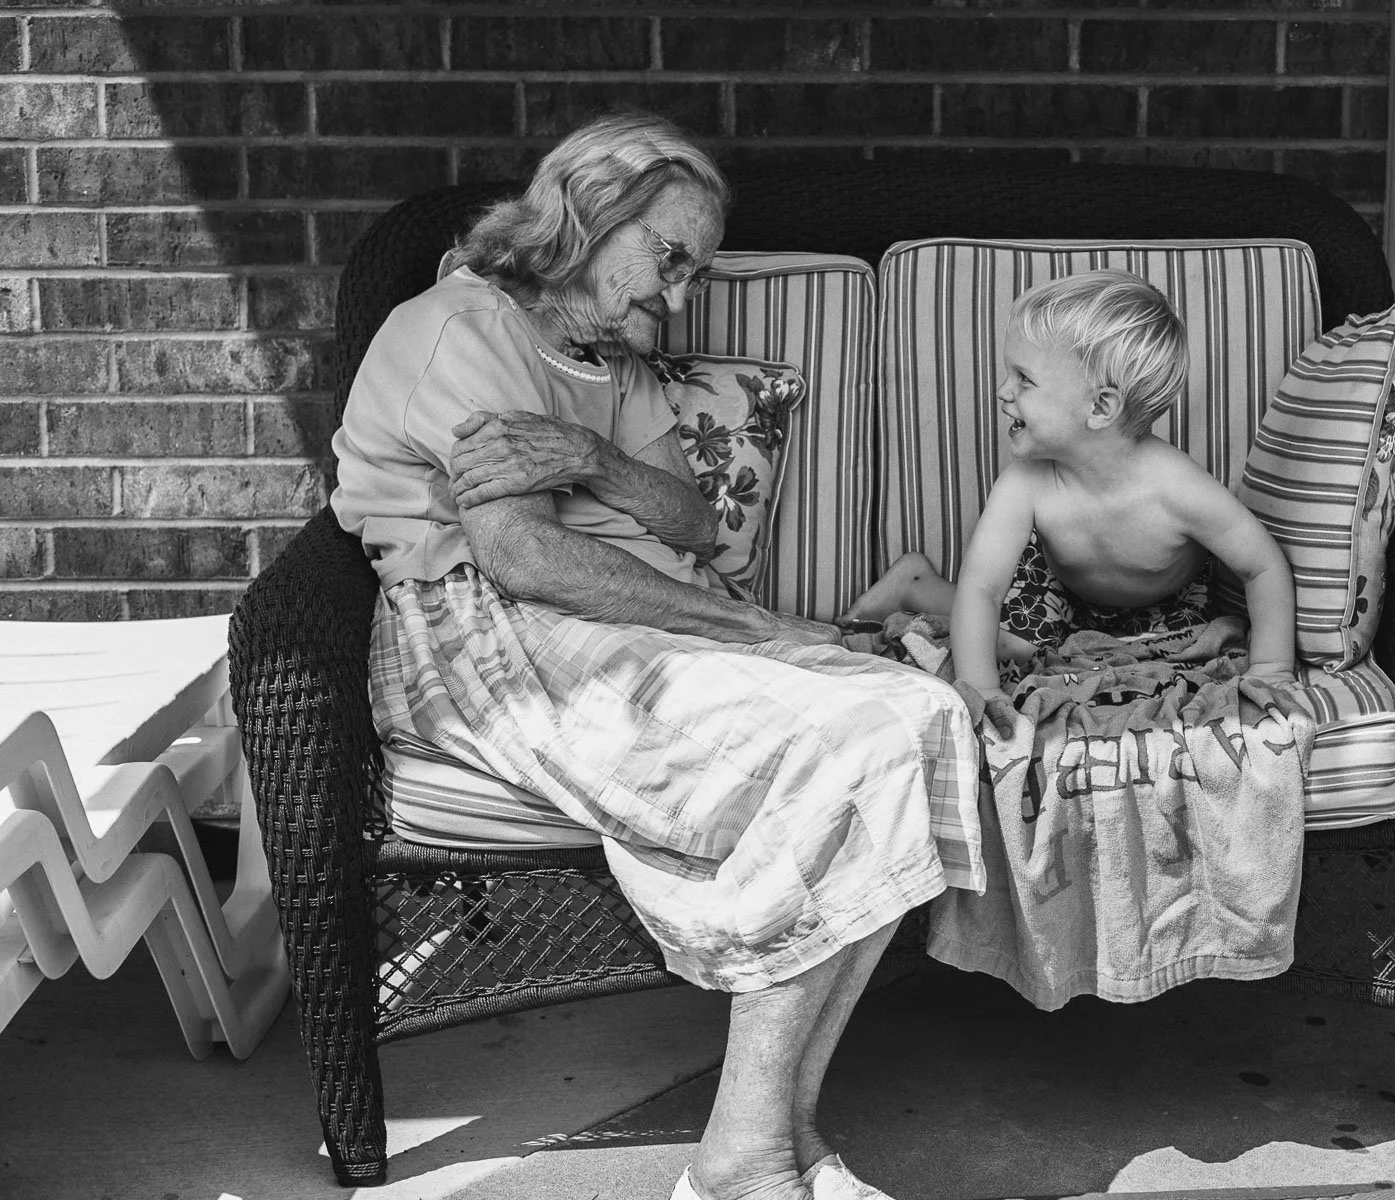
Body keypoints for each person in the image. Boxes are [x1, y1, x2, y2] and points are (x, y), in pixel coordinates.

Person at [329, 109, 984, 1200]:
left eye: (693, 273)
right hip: (492, 637)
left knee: (923, 714)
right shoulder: (462, 333)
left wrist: (592, 454)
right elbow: (525, 556)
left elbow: (689, 521)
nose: (676, 297)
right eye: (669, 260)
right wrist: (754, 627)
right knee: (854, 739)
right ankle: (747, 1163)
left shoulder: (606, 358)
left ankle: (776, 1141)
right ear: (588, 216)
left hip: (632, 619)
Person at [841, 269, 1297, 702]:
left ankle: (921, 585)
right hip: (1061, 586)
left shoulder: (1178, 489)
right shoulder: (1028, 481)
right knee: (1012, 649)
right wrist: (982, 694)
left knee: (1180, 654)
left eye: (1024, 379)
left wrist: (1273, 668)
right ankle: (914, 582)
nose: (1003, 391)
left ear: (1100, 407)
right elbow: (982, 588)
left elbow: (1262, 566)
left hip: (1165, 603)